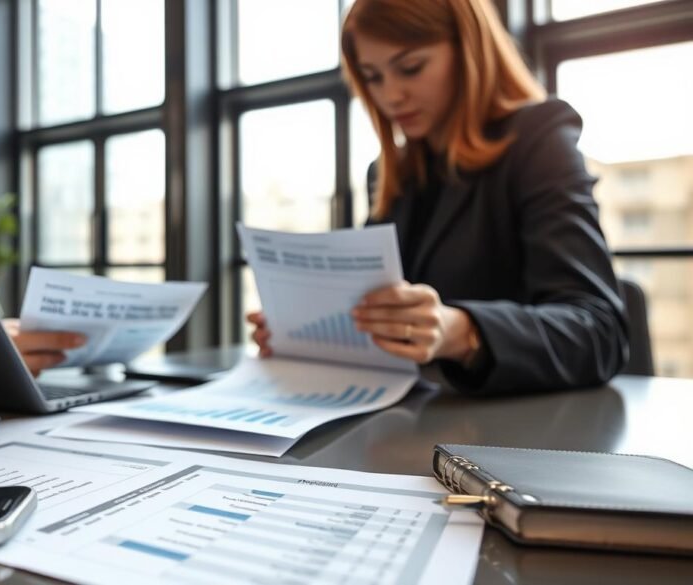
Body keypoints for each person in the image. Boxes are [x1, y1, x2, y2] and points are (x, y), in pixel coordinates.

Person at [248, 0, 629, 394]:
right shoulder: (388, 173)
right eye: (372, 77)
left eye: (411, 67)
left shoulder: (538, 140)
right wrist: (308, 329)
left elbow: (600, 333)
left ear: (469, 50)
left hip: (517, 431)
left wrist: (461, 332)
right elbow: (378, 309)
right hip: (407, 422)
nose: (391, 96)